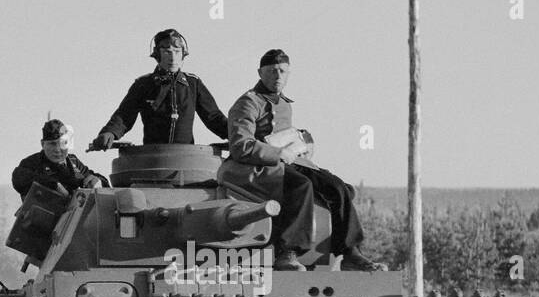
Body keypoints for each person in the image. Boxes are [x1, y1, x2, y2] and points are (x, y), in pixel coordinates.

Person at [221, 49, 384, 272]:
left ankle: (350, 252)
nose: (277, 76)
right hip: (255, 167)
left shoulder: (284, 104)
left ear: (288, 73)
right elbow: (240, 146)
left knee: (338, 187)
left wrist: (301, 147)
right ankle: (288, 252)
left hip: (289, 161)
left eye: (282, 71)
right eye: (271, 71)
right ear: (260, 73)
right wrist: (278, 154)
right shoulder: (248, 103)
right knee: (301, 186)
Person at [92, 29, 228, 147]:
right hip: (152, 158)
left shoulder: (193, 84)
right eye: (167, 52)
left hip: (186, 158)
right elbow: (124, 115)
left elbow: (213, 117)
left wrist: (235, 134)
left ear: (183, 54)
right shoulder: (143, 84)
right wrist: (109, 132)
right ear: (158, 54)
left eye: (177, 51)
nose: (173, 57)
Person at [12, 119, 107, 198]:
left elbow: (92, 177)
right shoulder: (33, 163)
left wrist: (98, 182)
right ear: (42, 144)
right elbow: (19, 179)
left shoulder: (73, 163)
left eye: (62, 143)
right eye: (52, 144)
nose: (57, 150)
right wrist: (53, 185)